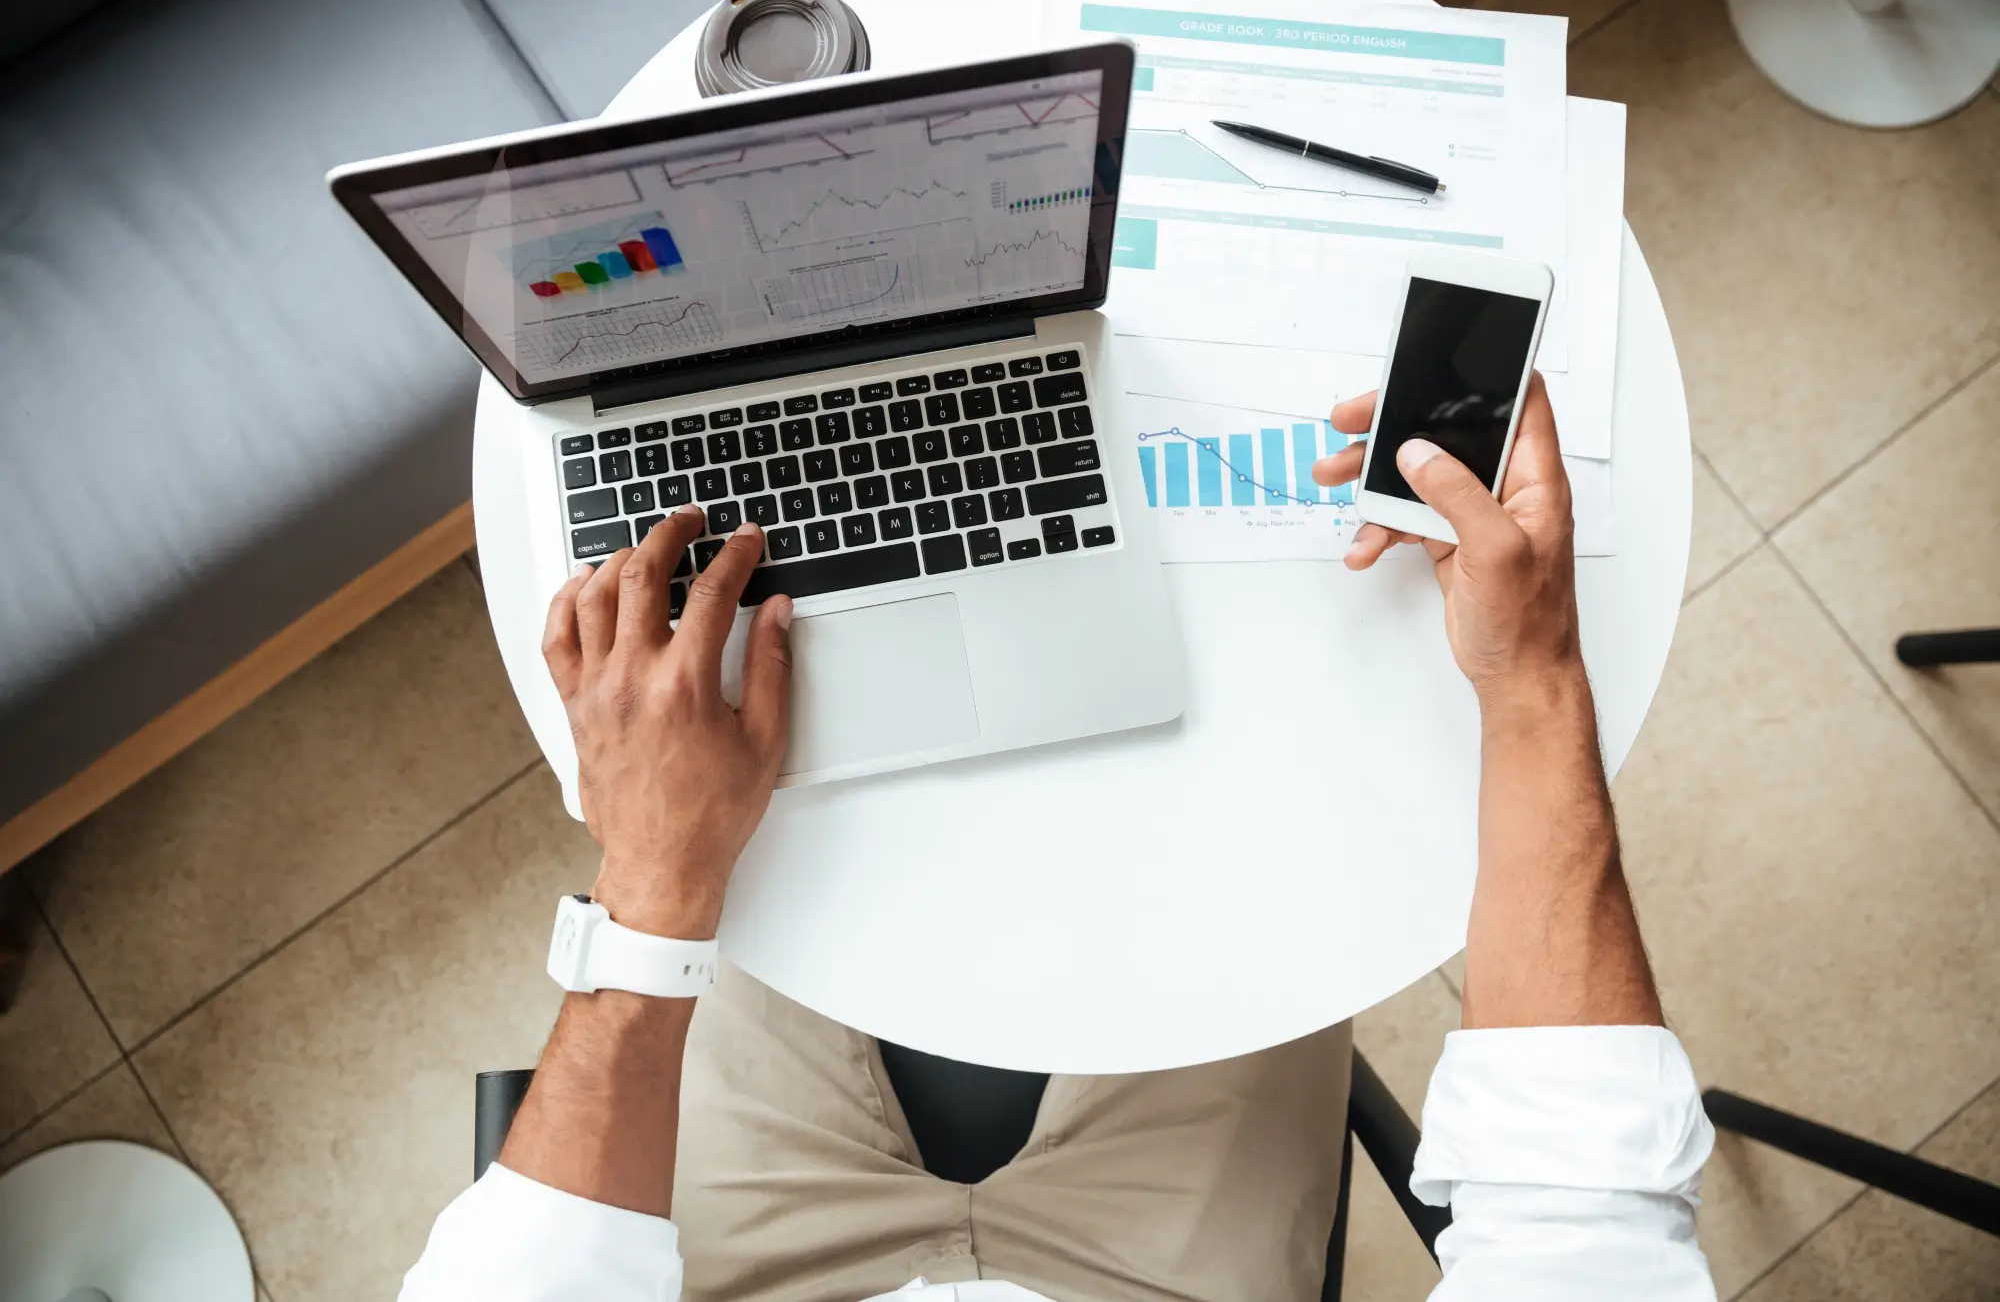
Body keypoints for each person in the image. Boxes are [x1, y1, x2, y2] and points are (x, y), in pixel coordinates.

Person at [401, 378, 1717, 1302]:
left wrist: (651, 879)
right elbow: (1581, 1216)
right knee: (1281, 851)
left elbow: (527, 1273)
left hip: (749, 1280)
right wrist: (1530, 680)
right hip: (1157, 1279)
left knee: (771, 842)